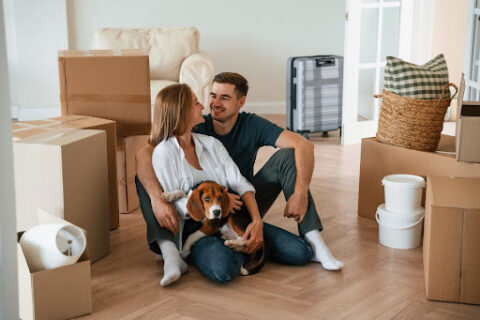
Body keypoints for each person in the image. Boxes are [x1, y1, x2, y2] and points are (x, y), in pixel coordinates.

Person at [136, 73, 343, 282]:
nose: (213, 104)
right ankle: (182, 250)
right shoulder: (195, 129)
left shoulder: (233, 133)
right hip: (202, 217)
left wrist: (298, 194)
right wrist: (157, 198)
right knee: (222, 268)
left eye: (224, 98)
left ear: (241, 101)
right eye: (212, 96)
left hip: (240, 209)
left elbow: (303, 145)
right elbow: (144, 154)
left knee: (301, 252)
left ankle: (312, 240)